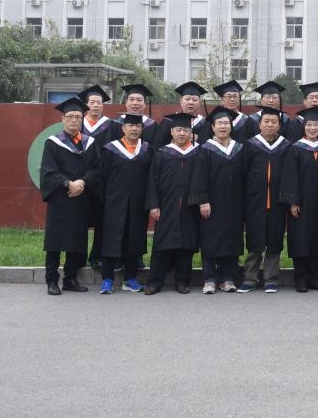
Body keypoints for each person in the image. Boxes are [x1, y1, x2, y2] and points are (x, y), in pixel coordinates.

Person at [87, 112, 151, 294]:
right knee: (111, 240)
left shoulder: (147, 150)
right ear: (123, 128)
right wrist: (104, 201)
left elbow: (151, 178)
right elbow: (102, 177)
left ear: (142, 129)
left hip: (138, 205)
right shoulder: (111, 150)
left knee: (134, 240)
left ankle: (130, 278)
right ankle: (107, 279)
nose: (134, 129)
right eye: (130, 126)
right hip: (113, 204)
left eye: (137, 126)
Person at [39, 97, 97, 295]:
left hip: (81, 197)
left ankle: (70, 279)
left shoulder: (90, 143)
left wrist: (82, 182)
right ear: (63, 119)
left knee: (76, 240)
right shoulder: (53, 143)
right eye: (70, 116)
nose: (74, 120)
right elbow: (48, 171)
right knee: (55, 241)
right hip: (60, 198)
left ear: (82, 119)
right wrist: (68, 184)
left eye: (78, 117)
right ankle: (52, 280)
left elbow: (96, 169)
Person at [144, 112, 202, 295]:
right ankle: (154, 282)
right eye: (178, 130)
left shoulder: (197, 153)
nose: (182, 133)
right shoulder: (162, 153)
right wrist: (153, 204)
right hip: (166, 206)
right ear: (171, 132)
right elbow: (152, 180)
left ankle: (182, 281)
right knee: (161, 245)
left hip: (189, 206)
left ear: (191, 132)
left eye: (185, 130)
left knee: (186, 246)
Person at [191, 107, 246, 294]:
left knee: (231, 239)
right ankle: (209, 278)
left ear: (231, 126)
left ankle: (227, 278)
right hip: (212, 204)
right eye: (219, 123)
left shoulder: (239, 149)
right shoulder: (205, 149)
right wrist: (203, 201)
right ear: (213, 127)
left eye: (226, 123)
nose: (223, 126)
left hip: (234, 203)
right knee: (210, 240)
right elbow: (199, 178)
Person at [239, 106, 291, 293]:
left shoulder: (286, 146)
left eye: (274, 122)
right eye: (266, 121)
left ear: (279, 125)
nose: (270, 125)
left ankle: (271, 279)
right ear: (259, 124)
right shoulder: (250, 145)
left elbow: (290, 174)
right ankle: (250, 279)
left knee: (275, 240)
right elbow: (243, 173)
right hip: (255, 201)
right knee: (255, 241)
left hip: (278, 202)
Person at [282, 106, 318, 292]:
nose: (312, 128)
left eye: (316, 125)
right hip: (302, 202)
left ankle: (315, 277)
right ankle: (301, 277)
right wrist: (293, 201)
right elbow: (290, 176)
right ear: (304, 127)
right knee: (301, 238)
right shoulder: (295, 149)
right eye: (309, 124)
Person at [79, 84, 113, 268]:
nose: (96, 106)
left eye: (99, 102)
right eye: (92, 102)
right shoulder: (78, 124)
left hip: (103, 181)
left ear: (103, 105)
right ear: (86, 105)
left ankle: (96, 256)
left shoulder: (111, 126)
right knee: (80, 220)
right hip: (82, 179)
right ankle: (78, 256)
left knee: (101, 220)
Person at [155, 82, 208, 148]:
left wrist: (199, 140)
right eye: (187, 99)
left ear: (200, 102)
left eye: (194, 100)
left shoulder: (205, 123)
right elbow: (158, 145)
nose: (191, 102)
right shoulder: (168, 121)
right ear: (181, 101)